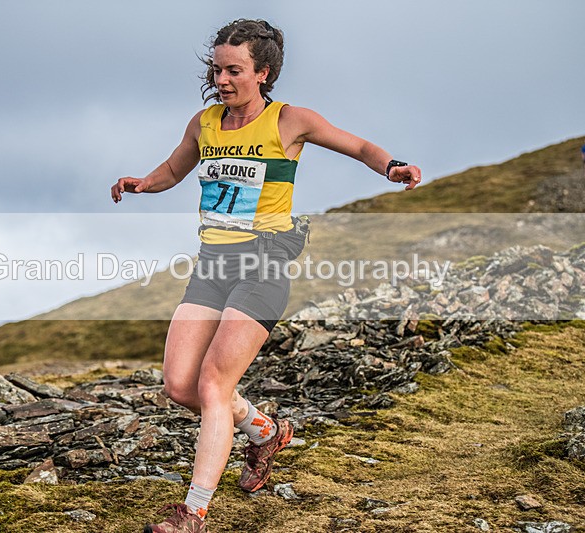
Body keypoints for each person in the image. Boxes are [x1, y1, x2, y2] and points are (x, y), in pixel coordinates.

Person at [110, 19, 422, 533]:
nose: (222, 79)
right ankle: (266, 431)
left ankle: (193, 514)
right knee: (180, 386)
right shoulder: (203, 123)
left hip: (262, 263)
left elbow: (361, 147)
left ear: (263, 71)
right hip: (212, 264)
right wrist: (142, 183)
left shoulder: (290, 121)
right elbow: (172, 171)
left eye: (234, 70)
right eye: (217, 69)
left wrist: (393, 167)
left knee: (213, 385)